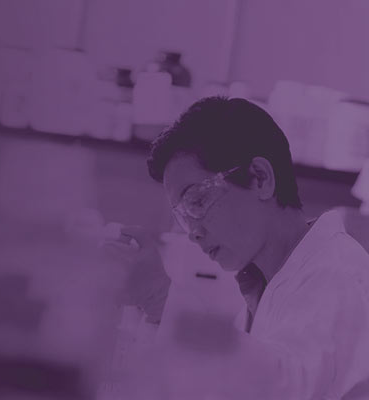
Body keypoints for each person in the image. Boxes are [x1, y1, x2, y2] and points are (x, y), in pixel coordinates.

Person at [103, 96, 369, 399]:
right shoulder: (268, 286)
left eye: (197, 201)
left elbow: (285, 389)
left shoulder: (341, 277)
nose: (193, 233)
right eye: (182, 216)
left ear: (260, 178)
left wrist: (160, 300)